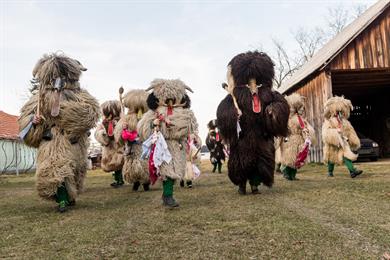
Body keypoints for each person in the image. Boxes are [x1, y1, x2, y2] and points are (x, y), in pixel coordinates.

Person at [18, 53, 99, 212]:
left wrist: (68, 113)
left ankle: (70, 196)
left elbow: (91, 113)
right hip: (52, 141)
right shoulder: (40, 97)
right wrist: (34, 121)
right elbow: (26, 119)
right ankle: (62, 200)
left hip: (73, 140)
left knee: (74, 171)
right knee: (54, 169)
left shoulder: (79, 95)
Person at [217, 51, 289, 195]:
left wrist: (272, 111)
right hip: (242, 136)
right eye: (250, 78)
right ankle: (242, 185)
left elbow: (281, 105)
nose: (253, 81)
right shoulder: (236, 94)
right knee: (241, 162)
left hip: (261, 136)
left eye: (255, 78)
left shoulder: (267, 93)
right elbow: (223, 112)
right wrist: (233, 115)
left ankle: (255, 184)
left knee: (260, 162)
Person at [138, 79, 199, 208]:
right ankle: (168, 196)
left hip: (178, 146)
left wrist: (193, 135)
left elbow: (192, 127)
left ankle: (167, 195)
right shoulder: (154, 113)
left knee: (176, 171)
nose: (170, 102)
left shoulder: (186, 113)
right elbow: (142, 129)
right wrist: (152, 124)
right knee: (167, 171)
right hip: (162, 145)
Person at [115, 89, 150, 191]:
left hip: (143, 145)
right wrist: (124, 129)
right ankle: (135, 181)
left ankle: (145, 181)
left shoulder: (146, 118)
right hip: (131, 146)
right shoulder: (127, 118)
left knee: (144, 162)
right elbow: (119, 134)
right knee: (131, 163)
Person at [322, 96, 363, 178]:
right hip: (333, 144)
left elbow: (349, 130)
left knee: (347, 155)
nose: (338, 113)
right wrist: (335, 133)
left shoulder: (344, 121)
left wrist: (353, 139)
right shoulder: (329, 121)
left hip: (343, 142)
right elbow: (325, 133)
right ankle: (330, 172)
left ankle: (352, 171)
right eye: (337, 111)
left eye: (339, 111)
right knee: (331, 157)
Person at [278, 93, 316, 180]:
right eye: (300, 108)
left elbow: (304, 128)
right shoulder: (289, 118)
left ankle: (292, 175)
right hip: (289, 140)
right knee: (288, 158)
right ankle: (285, 173)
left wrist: (307, 136)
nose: (302, 110)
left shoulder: (299, 119)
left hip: (298, 141)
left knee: (296, 158)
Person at [95, 100, 124, 188]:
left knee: (119, 162)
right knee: (113, 163)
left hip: (118, 146)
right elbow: (98, 133)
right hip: (109, 148)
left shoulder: (120, 122)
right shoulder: (103, 124)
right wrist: (103, 134)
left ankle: (120, 180)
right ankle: (118, 179)